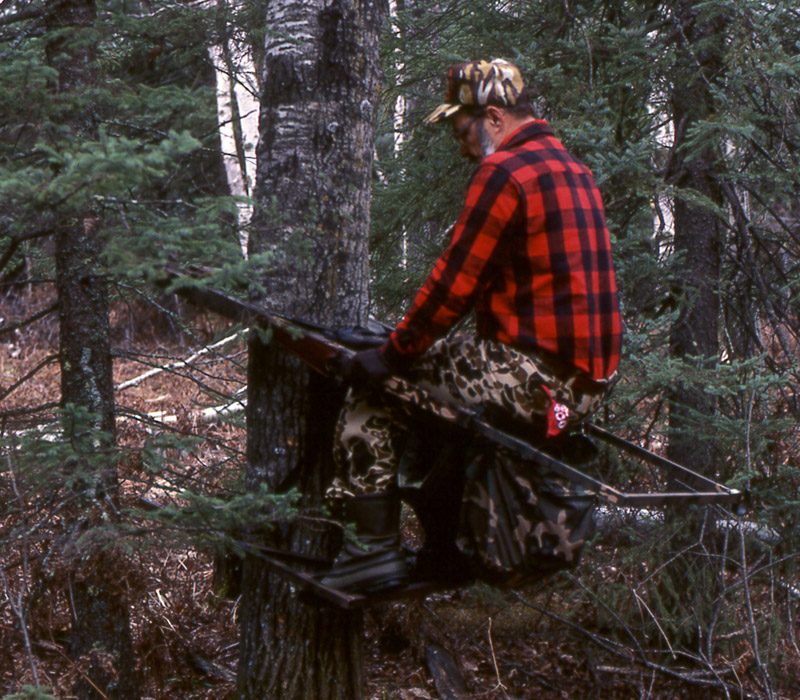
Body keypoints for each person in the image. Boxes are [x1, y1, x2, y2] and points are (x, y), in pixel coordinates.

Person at [321, 58, 623, 594]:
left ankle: (370, 552)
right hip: (580, 390)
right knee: (441, 410)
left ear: (495, 116)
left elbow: (453, 283)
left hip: (531, 378)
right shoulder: (574, 171)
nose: (462, 147)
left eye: (463, 131)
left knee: (373, 394)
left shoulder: (505, 172)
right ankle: (445, 552)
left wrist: (390, 357)